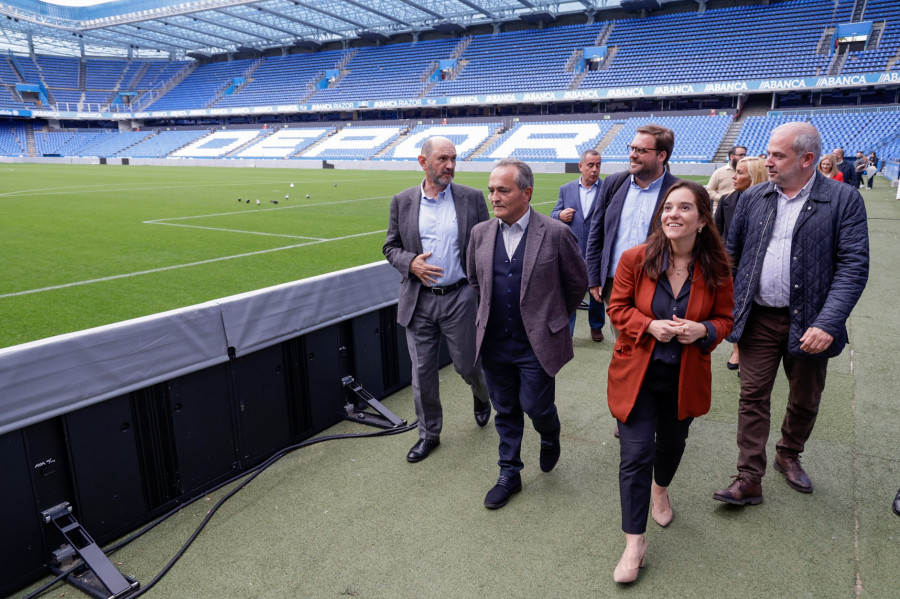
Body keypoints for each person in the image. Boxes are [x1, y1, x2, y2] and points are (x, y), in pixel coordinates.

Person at [713, 122, 869, 506]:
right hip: (759, 319)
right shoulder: (754, 198)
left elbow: (853, 266)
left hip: (812, 322)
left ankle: (788, 452)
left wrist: (828, 322)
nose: (767, 162)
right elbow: (731, 257)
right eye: (769, 153)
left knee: (805, 397)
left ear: (807, 159)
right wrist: (728, 309)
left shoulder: (843, 199)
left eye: (777, 156)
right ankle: (749, 476)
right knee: (752, 396)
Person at [607, 180, 733, 584]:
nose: (672, 215)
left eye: (683, 208)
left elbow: (726, 320)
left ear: (701, 220)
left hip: (684, 378)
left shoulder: (717, 266)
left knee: (673, 444)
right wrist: (648, 324)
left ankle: (661, 489)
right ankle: (634, 542)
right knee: (635, 456)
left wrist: (704, 331)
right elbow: (616, 307)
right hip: (636, 377)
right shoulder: (635, 259)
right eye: (667, 208)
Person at [467, 158, 587, 510]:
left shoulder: (555, 232)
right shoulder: (480, 234)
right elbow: (477, 282)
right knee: (504, 409)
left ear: (526, 193)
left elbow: (576, 283)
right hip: (494, 343)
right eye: (491, 190)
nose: (494, 197)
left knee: (536, 406)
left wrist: (552, 320)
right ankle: (509, 473)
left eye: (503, 190)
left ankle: (550, 432)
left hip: (536, 345)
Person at [383, 136, 492, 463]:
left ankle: (481, 395)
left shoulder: (471, 199)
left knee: (468, 365)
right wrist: (409, 262)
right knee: (422, 373)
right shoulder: (401, 201)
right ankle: (429, 434)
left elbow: (487, 247)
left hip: (460, 296)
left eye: (454, 159)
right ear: (423, 162)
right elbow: (390, 247)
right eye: (443, 159)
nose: (450, 166)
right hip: (419, 301)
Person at [585, 123, 679, 437]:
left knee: (658, 349)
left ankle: (659, 410)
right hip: (616, 285)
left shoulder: (678, 191)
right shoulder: (614, 184)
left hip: (660, 285)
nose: (633, 155)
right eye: (632, 148)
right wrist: (594, 276)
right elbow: (597, 231)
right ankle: (630, 409)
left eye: (641, 150)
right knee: (626, 348)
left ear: (662, 155)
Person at [714, 156, 767, 371]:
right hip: (732, 266)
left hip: (760, 267)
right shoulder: (727, 200)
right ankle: (736, 349)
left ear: (754, 176)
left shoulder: (770, 202)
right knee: (735, 308)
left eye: (740, 173)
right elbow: (717, 234)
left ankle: (754, 351)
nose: (734, 177)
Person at [552, 149, 605, 341]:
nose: (594, 169)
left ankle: (596, 326)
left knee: (596, 292)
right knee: (571, 292)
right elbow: (554, 213)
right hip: (572, 252)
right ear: (580, 166)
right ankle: (568, 331)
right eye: (590, 165)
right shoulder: (566, 189)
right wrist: (560, 215)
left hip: (597, 252)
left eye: (598, 165)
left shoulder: (607, 188)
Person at [705, 145, 747, 211]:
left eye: (744, 155)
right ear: (731, 156)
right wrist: (723, 198)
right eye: (741, 155)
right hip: (721, 210)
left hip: (741, 209)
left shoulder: (747, 173)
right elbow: (709, 190)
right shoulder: (719, 172)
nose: (743, 157)